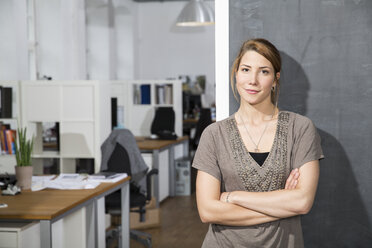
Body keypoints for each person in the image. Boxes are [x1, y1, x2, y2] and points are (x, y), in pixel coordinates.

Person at [192, 38, 324, 248]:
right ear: (236, 74)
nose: (252, 80)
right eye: (245, 69)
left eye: (264, 71)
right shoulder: (213, 135)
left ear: (275, 79)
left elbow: (302, 202)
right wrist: (282, 204)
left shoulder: (300, 128)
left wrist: (233, 197)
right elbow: (208, 211)